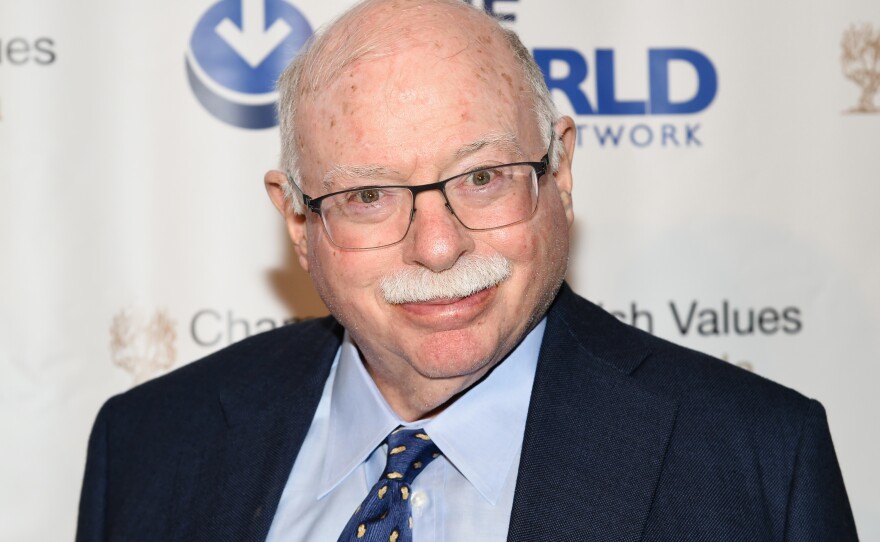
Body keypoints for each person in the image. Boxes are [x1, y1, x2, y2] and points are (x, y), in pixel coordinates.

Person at [76, 0, 858, 540]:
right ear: (296, 218)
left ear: (561, 170)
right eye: (370, 195)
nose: (439, 248)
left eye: (482, 178)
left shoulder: (755, 462)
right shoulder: (150, 446)